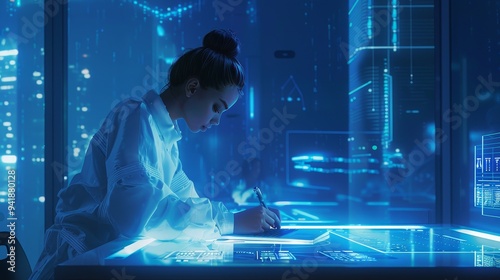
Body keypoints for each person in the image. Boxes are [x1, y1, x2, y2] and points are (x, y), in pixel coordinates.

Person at [30, 29, 281, 280]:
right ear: (193, 87)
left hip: (106, 259)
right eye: (217, 107)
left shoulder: (167, 139)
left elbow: (185, 199)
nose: (216, 121)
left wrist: (239, 219)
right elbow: (135, 215)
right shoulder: (135, 117)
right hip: (80, 260)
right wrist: (231, 222)